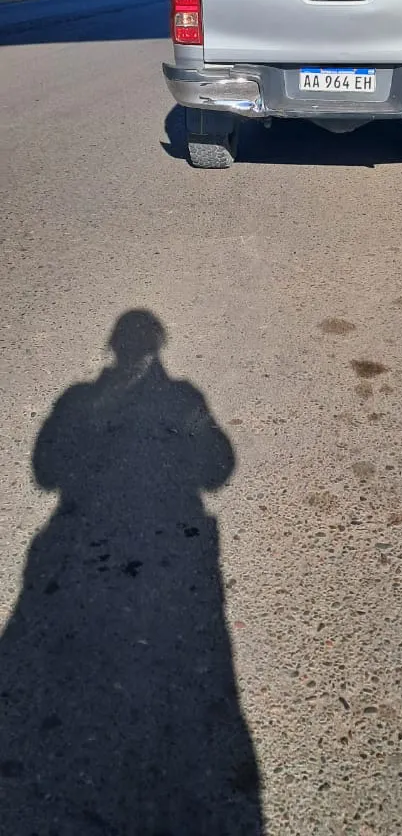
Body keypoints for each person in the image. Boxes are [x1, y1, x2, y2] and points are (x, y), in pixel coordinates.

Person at [0, 310, 263, 835]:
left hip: (92, 556)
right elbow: (217, 469)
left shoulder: (91, 400)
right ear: (157, 349)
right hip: (156, 560)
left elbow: (46, 471)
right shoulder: (173, 399)